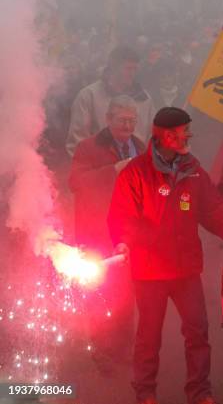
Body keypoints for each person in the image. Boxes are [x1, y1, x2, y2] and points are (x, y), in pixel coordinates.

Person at [108, 107, 223, 404]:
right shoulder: (135, 172)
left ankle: (199, 392)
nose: (189, 136)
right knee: (149, 336)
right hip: (149, 271)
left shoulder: (193, 170)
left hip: (186, 270)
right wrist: (122, 243)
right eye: (185, 131)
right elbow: (122, 217)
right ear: (168, 136)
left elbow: (214, 209)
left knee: (197, 333)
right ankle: (145, 392)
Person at [69, 95, 145, 373]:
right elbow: (76, 182)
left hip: (127, 233)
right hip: (95, 232)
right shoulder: (88, 147)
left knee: (126, 293)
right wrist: (113, 171)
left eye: (133, 120)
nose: (128, 125)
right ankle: (101, 350)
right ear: (108, 119)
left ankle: (122, 349)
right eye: (123, 120)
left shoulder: (139, 146)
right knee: (100, 293)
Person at [66, 45, 156, 156]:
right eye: (128, 69)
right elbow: (77, 142)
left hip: (136, 169)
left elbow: (152, 138)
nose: (132, 73)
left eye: (135, 69)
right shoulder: (89, 96)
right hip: (99, 167)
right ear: (113, 68)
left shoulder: (144, 99)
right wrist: (89, 171)